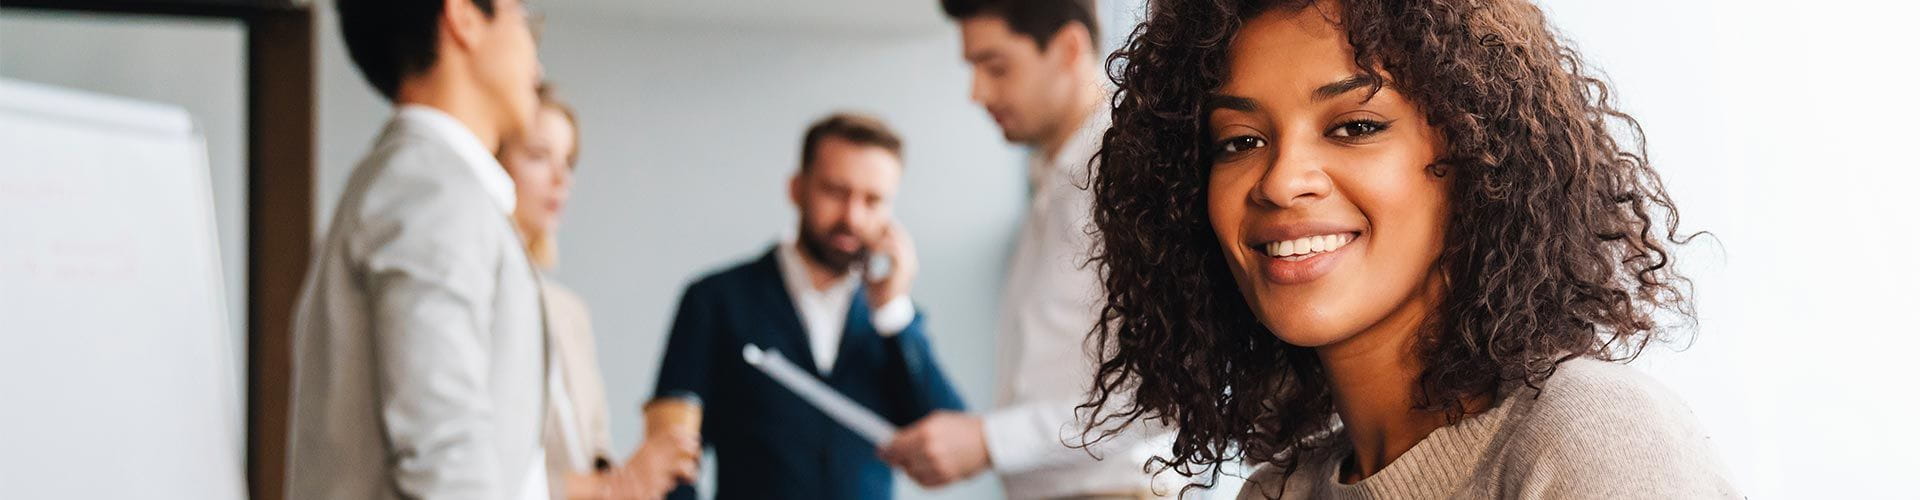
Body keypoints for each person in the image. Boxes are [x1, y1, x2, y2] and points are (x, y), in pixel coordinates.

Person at [1081, 0, 1742, 498]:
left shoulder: (1591, 437)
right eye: (1239, 141)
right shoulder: (1276, 492)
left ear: (1478, 156)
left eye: (1354, 127)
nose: (1281, 181)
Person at [282, 0, 690, 498]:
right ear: (464, 19)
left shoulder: (414, 185)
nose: (536, 63)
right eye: (523, 20)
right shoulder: (431, 191)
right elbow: (442, 456)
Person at [878, 1, 1176, 498]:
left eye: (995, 66)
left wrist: (990, 441)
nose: (977, 93)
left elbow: (1163, 395)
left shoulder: (1131, 177)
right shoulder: (1055, 180)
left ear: (1068, 49)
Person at [648, 113, 967, 500]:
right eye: (835, 191)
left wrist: (892, 312)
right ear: (798, 188)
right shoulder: (714, 300)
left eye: (873, 200)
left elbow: (952, 436)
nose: (852, 216)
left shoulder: (893, 323)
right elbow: (670, 458)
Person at [495, 85, 699, 499]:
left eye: (569, 162)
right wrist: (611, 486)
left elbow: (592, 450)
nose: (561, 179)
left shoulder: (568, 312)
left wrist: (637, 473)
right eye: (538, 156)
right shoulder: (475, 297)